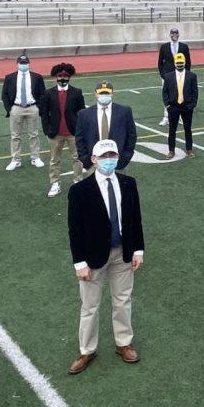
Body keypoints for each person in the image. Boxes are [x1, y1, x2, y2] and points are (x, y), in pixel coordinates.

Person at [66, 139, 145, 375]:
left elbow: (136, 219)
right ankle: (87, 350)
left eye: (112, 155)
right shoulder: (80, 190)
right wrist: (79, 262)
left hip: (123, 252)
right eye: (104, 156)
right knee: (90, 306)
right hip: (92, 257)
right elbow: (75, 230)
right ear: (93, 159)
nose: (109, 160)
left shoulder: (129, 183)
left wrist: (138, 250)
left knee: (122, 300)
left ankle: (123, 343)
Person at [40, 62, 85, 198]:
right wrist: (47, 130)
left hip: (73, 133)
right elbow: (44, 113)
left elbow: (81, 112)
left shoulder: (77, 92)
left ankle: (78, 181)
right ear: (55, 77)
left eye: (65, 76)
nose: (63, 78)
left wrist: (80, 130)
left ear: (69, 77)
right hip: (55, 133)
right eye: (60, 76)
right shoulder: (48, 93)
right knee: (55, 160)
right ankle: (55, 183)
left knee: (77, 158)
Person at [75, 81, 138, 172]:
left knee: (119, 186)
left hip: (117, 162)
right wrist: (86, 160)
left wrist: (125, 158)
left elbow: (131, 135)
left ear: (112, 94)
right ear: (95, 94)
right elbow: (79, 138)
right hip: (94, 163)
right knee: (94, 186)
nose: (104, 95)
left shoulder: (124, 111)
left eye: (107, 93)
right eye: (101, 93)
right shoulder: (84, 114)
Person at [1, 53, 45, 171]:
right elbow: (4, 94)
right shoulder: (10, 77)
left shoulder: (37, 77)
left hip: (32, 107)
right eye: (21, 63)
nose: (23, 65)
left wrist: (38, 107)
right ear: (17, 64)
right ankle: (16, 160)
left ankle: (35, 157)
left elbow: (42, 94)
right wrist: (9, 109)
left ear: (29, 64)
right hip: (16, 108)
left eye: (25, 63)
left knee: (34, 134)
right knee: (15, 135)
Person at [161, 52, 198, 159]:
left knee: (188, 129)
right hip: (173, 106)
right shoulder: (168, 76)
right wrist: (167, 105)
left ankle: (189, 149)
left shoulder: (192, 76)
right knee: (172, 130)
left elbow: (195, 92)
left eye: (181, 62)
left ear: (185, 62)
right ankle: (171, 150)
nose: (180, 64)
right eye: (178, 63)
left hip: (187, 107)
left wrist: (192, 105)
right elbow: (165, 92)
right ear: (175, 63)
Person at [157, 27, 191, 127]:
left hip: (181, 75)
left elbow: (188, 62)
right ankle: (166, 117)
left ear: (178, 35)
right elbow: (160, 63)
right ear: (170, 35)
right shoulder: (164, 47)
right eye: (172, 33)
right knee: (166, 96)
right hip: (167, 76)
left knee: (180, 95)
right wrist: (163, 75)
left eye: (176, 33)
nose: (174, 35)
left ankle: (180, 117)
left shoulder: (184, 47)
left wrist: (186, 75)